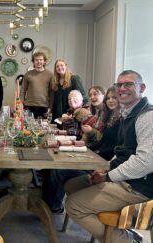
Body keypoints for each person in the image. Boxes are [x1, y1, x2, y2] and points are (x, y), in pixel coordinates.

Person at [65, 70, 153, 243]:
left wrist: (108, 176)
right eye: (119, 84)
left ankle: (125, 239)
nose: (122, 89)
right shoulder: (128, 114)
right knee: (72, 185)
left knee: (73, 205)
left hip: (138, 187)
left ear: (141, 87)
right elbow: (122, 152)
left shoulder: (147, 116)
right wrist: (104, 169)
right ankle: (113, 229)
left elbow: (145, 162)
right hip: (125, 179)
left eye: (128, 84)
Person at [42, 86, 120, 213]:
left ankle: (53, 206)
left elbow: (106, 144)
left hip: (101, 166)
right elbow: (100, 142)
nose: (111, 100)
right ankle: (48, 201)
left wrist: (84, 144)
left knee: (58, 169)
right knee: (54, 165)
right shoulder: (106, 115)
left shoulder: (88, 113)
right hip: (95, 157)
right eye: (109, 98)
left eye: (114, 98)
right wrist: (85, 147)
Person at [20, 51, 53, 118]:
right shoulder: (28, 74)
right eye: (36, 60)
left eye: (41, 60)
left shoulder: (50, 75)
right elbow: (23, 90)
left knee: (43, 128)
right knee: (27, 127)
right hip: (29, 106)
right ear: (33, 62)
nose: (38, 62)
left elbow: (51, 92)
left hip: (44, 106)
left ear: (44, 61)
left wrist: (50, 107)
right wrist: (20, 103)